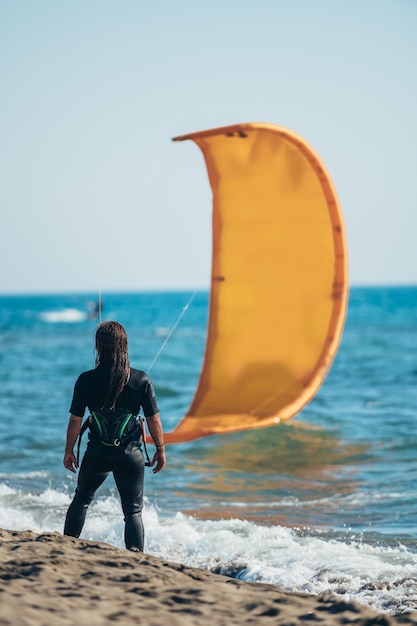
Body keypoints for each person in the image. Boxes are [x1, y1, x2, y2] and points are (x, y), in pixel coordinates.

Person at [63, 321, 166, 551]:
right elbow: (153, 420)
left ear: (98, 347)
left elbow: (75, 420)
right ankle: (136, 557)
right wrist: (160, 448)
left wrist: (69, 450)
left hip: (97, 454)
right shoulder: (142, 380)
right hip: (130, 455)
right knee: (132, 511)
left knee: (81, 499)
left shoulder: (85, 380)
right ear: (125, 345)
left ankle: (66, 546)